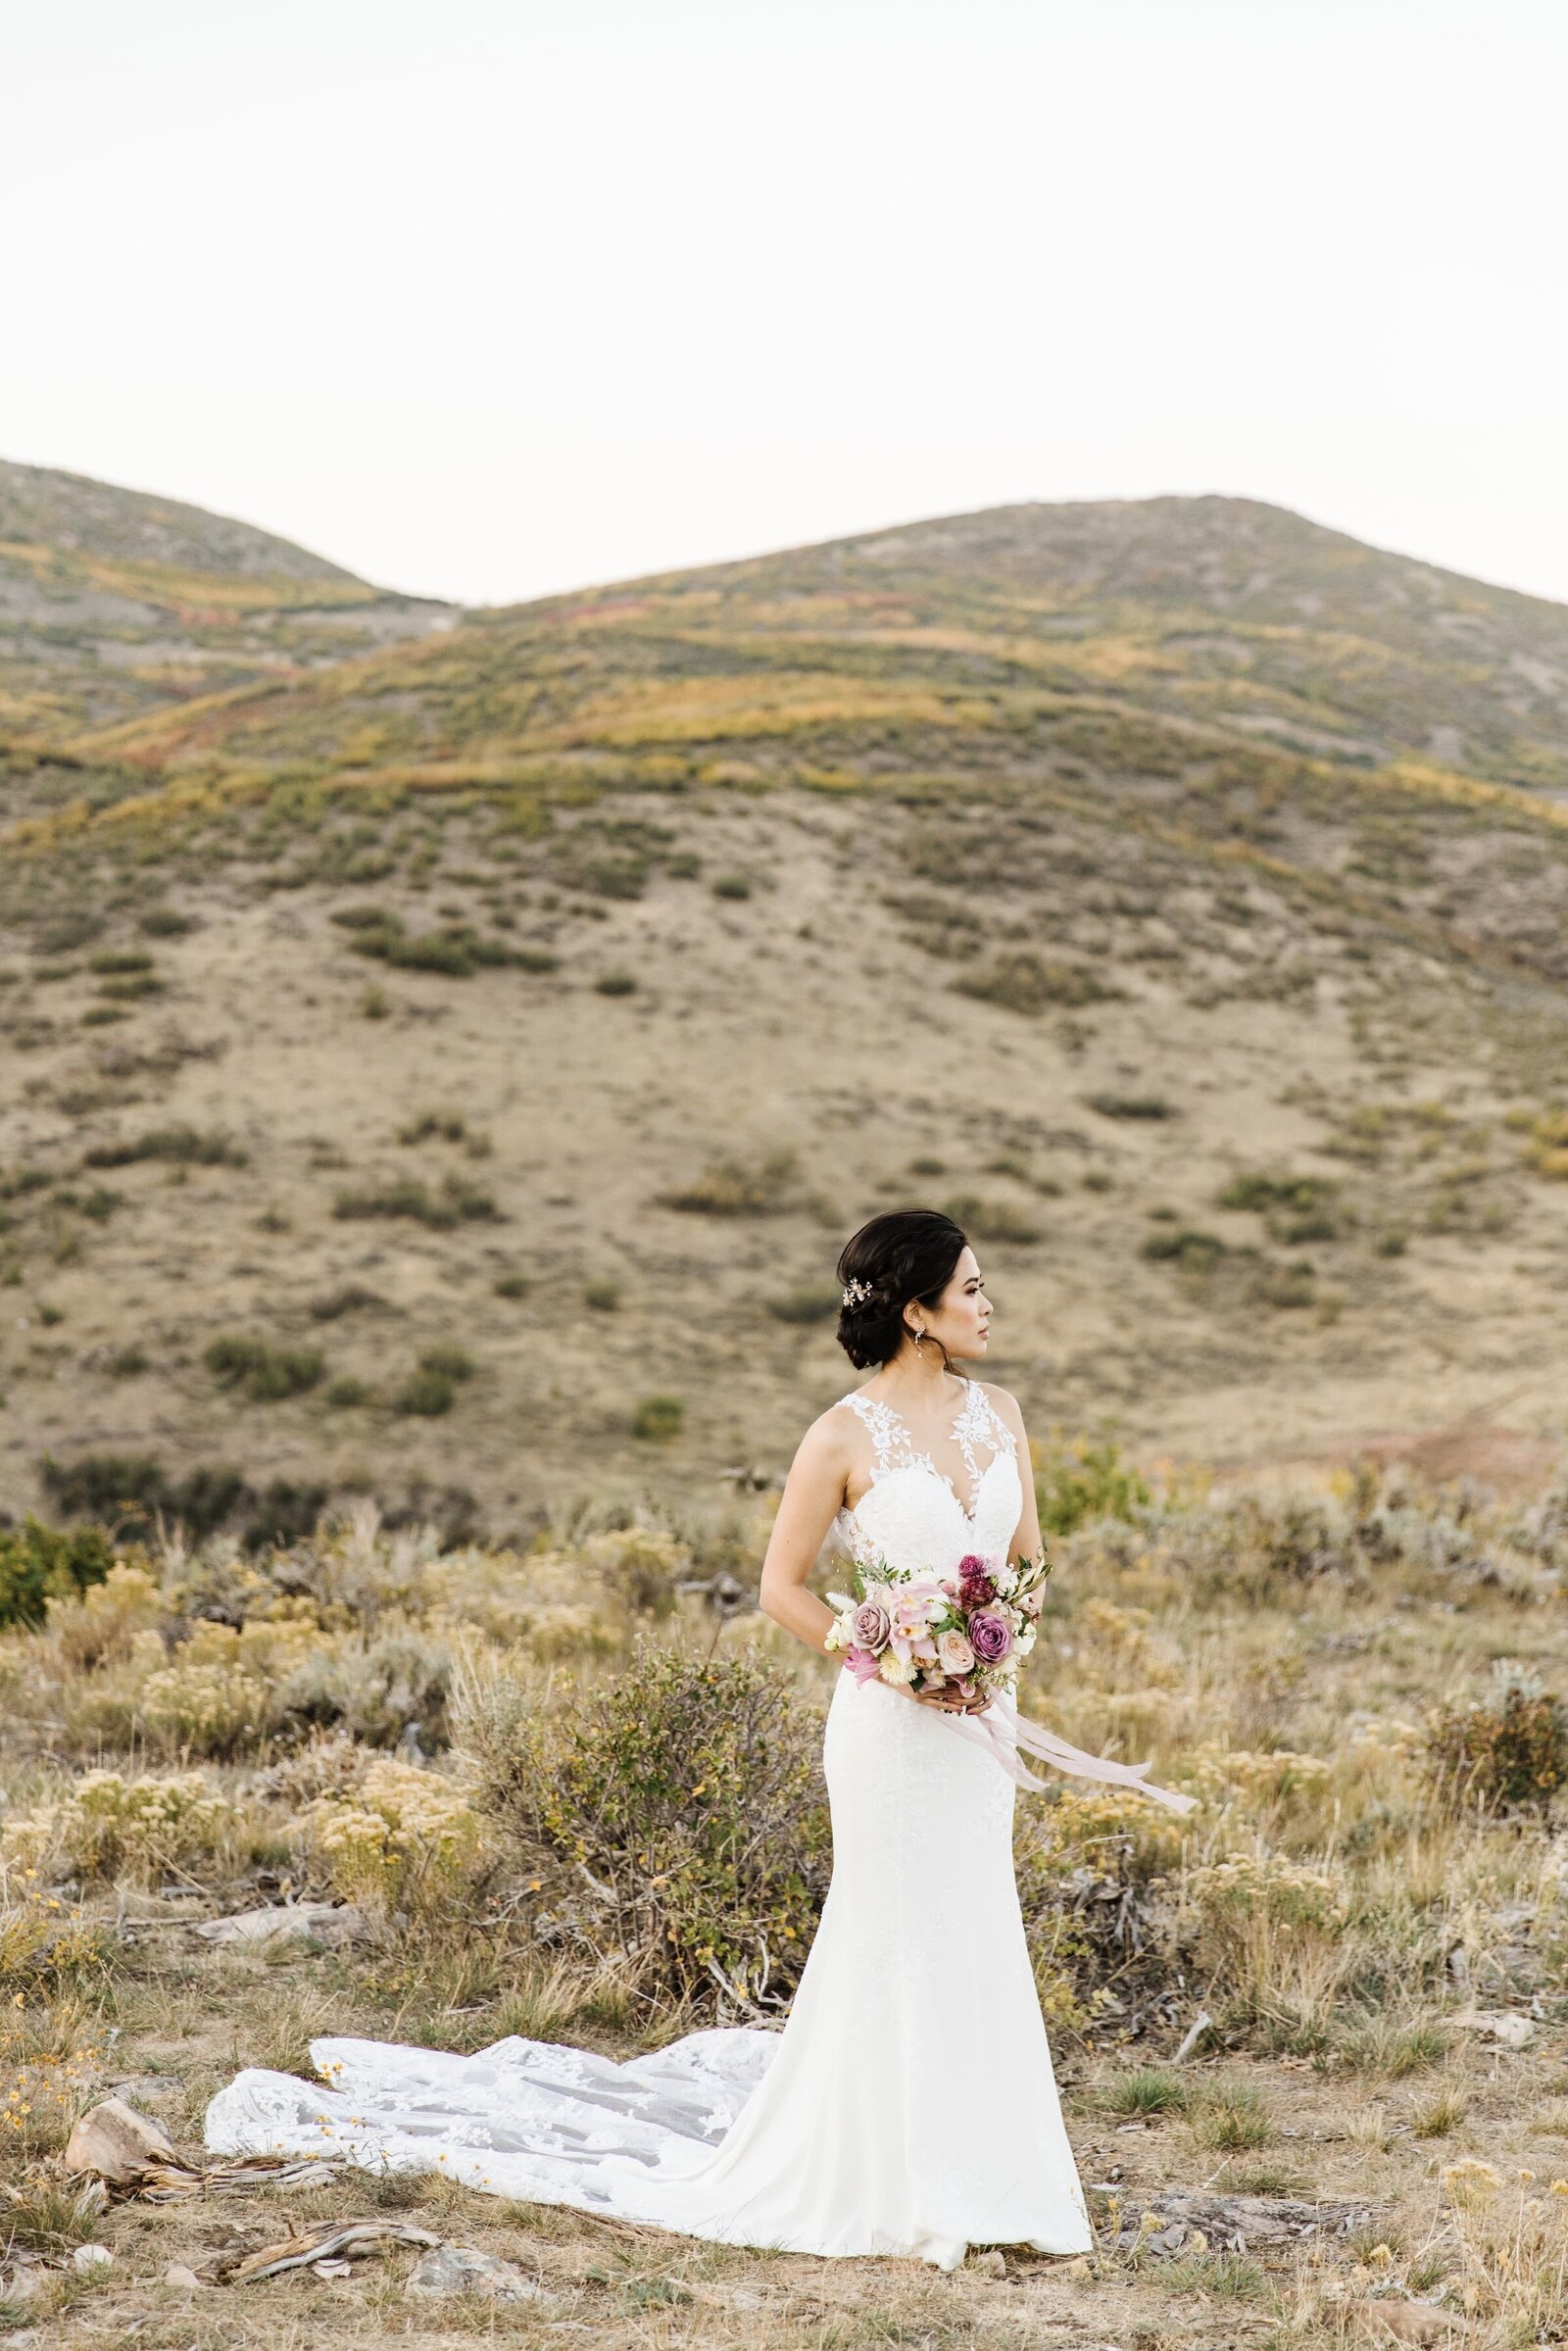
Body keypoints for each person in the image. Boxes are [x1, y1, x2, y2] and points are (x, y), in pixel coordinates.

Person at [205, 1207, 1190, 2269]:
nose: (990, 1305)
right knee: (894, 1931)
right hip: (891, 1734)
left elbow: (1028, 1565)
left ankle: (994, 2174)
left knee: (975, 1923)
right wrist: (890, 1654)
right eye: (973, 1288)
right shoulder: (841, 1435)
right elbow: (781, 1587)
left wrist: (993, 1651)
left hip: (978, 1725)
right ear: (917, 1311)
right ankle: (900, 2181)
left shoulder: (1003, 1413)